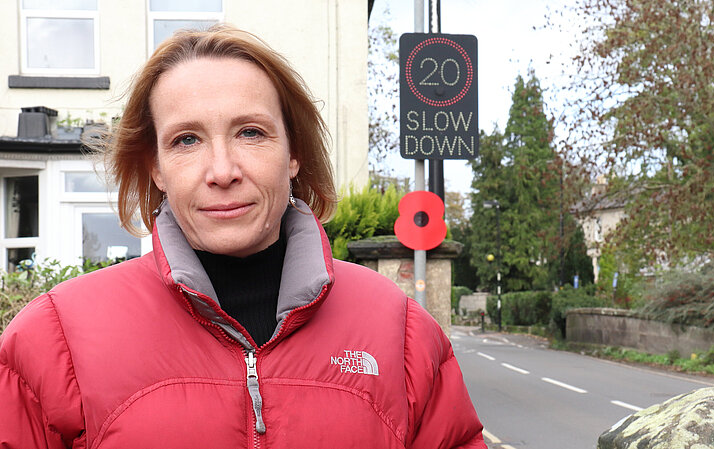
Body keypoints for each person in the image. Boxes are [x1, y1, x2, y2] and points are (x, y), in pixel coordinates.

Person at [0, 25, 486, 448]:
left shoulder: (402, 334)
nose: (222, 171)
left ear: (293, 153)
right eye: (186, 140)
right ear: (157, 167)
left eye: (251, 133)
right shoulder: (52, 341)